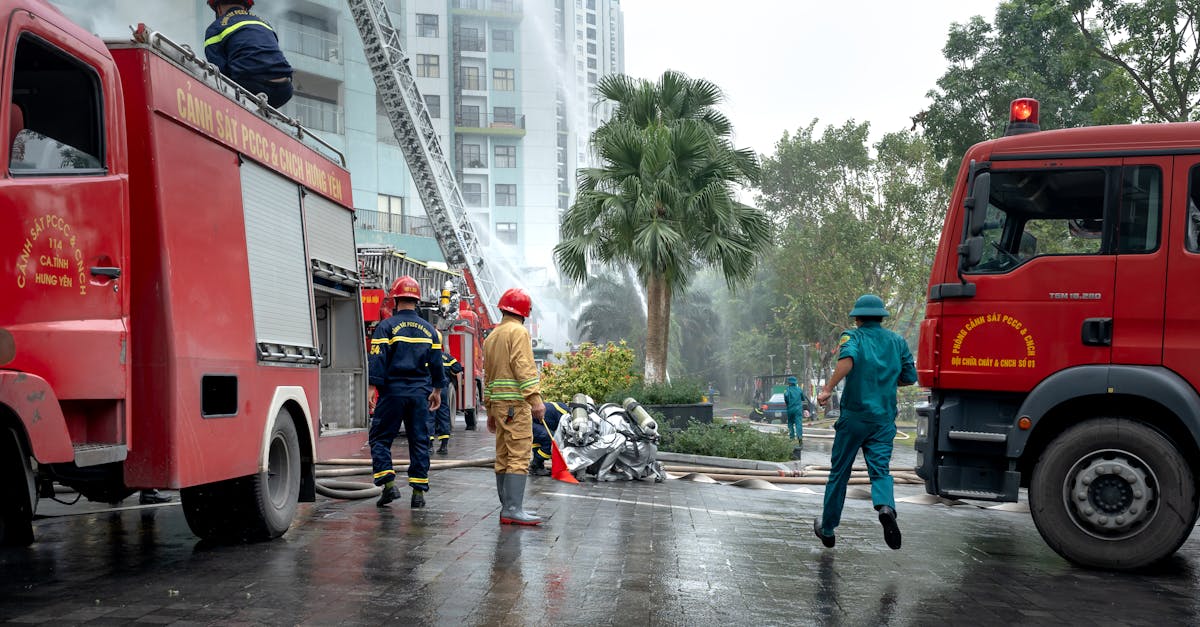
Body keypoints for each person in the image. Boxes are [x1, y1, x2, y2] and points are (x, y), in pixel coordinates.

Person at [813, 294, 916, 551]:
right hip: (883, 420)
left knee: (840, 473)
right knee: (880, 471)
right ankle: (885, 507)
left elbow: (847, 361)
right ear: (881, 317)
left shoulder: (853, 336)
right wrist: (887, 380)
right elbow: (909, 377)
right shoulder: (897, 341)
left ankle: (828, 528)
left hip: (855, 417)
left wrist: (827, 389)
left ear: (857, 318)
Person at [367, 276, 445, 508]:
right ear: (417, 300)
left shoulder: (386, 327)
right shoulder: (430, 331)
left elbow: (378, 359)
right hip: (420, 394)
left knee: (380, 438)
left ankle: (389, 485)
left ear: (395, 299)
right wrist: (437, 390)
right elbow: (437, 364)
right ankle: (418, 493)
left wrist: (372, 387)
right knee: (419, 440)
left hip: (392, 393)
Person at [482, 287, 544, 525]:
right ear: (524, 312)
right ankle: (513, 509)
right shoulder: (518, 332)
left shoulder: (492, 337)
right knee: (519, 454)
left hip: (499, 406)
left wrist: (490, 410)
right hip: (515, 406)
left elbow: (488, 377)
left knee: (503, 455)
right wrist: (535, 399)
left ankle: (507, 508)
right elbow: (523, 365)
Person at [203, 0, 294, 108]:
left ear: (218, 9)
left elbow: (220, 74)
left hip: (251, 85)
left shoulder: (216, 27)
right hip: (285, 89)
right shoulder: (265, 24)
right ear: (246, 8)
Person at [428, 335, 464, 456]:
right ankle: (444, 447)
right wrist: (449, 373)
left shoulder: (426, 356)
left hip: (430, 389)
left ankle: (429, 446)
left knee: (429, 416)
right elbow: (458, 367)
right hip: (443, 389)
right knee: (443, 416)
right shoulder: (447, 357)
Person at [529, 401, 568, 476]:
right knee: (550, 439)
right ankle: (536, 465)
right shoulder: (566, 416)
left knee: (541, 440)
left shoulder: (565, 410)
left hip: (533, 420)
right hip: (527, 420)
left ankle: (538, 465)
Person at [783, 375, 808, 441]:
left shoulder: (787, 390)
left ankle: (792, 438)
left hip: (790, 409)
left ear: (789, 382)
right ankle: (799, 437)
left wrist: (787, 403)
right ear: (795, 382)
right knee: (798, 423)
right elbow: (803, 398)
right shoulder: (799, 389)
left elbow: (786, 397)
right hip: (798, 409)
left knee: (790, 423)